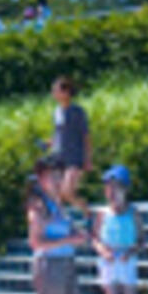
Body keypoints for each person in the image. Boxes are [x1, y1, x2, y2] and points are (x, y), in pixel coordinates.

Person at [28, 155, 86, 294]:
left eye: (59, 176)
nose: (56, 180)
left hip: (66, 262)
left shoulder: (58, 204)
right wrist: (68, 239)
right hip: (50, 265)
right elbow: (35, 242)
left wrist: (76, 234)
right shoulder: (39, 206)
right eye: (51, 176)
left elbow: (64, 231)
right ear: (41, 179)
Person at [93, 164, 147, 294]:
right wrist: (103, 252)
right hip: (108, 259)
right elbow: (95, 239)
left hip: (126, 259)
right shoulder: (102, 213)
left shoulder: (134, 213)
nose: (112, 193)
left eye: (116, 188)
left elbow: (142, 240)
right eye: (109, 188)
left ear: (125, 190)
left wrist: (131, 252)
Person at [48, 76, 91, 210]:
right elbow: (57, 134)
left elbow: (86, 136)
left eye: (56, 90)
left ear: (66, 92)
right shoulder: (56, 112)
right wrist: (49, 143)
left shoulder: (78, 112)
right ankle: (65, 223)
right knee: (56, 195)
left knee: (67, 192)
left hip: (74, 158)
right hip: (59, 158)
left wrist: (88, 159)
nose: (53, 94)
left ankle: (87, 212)